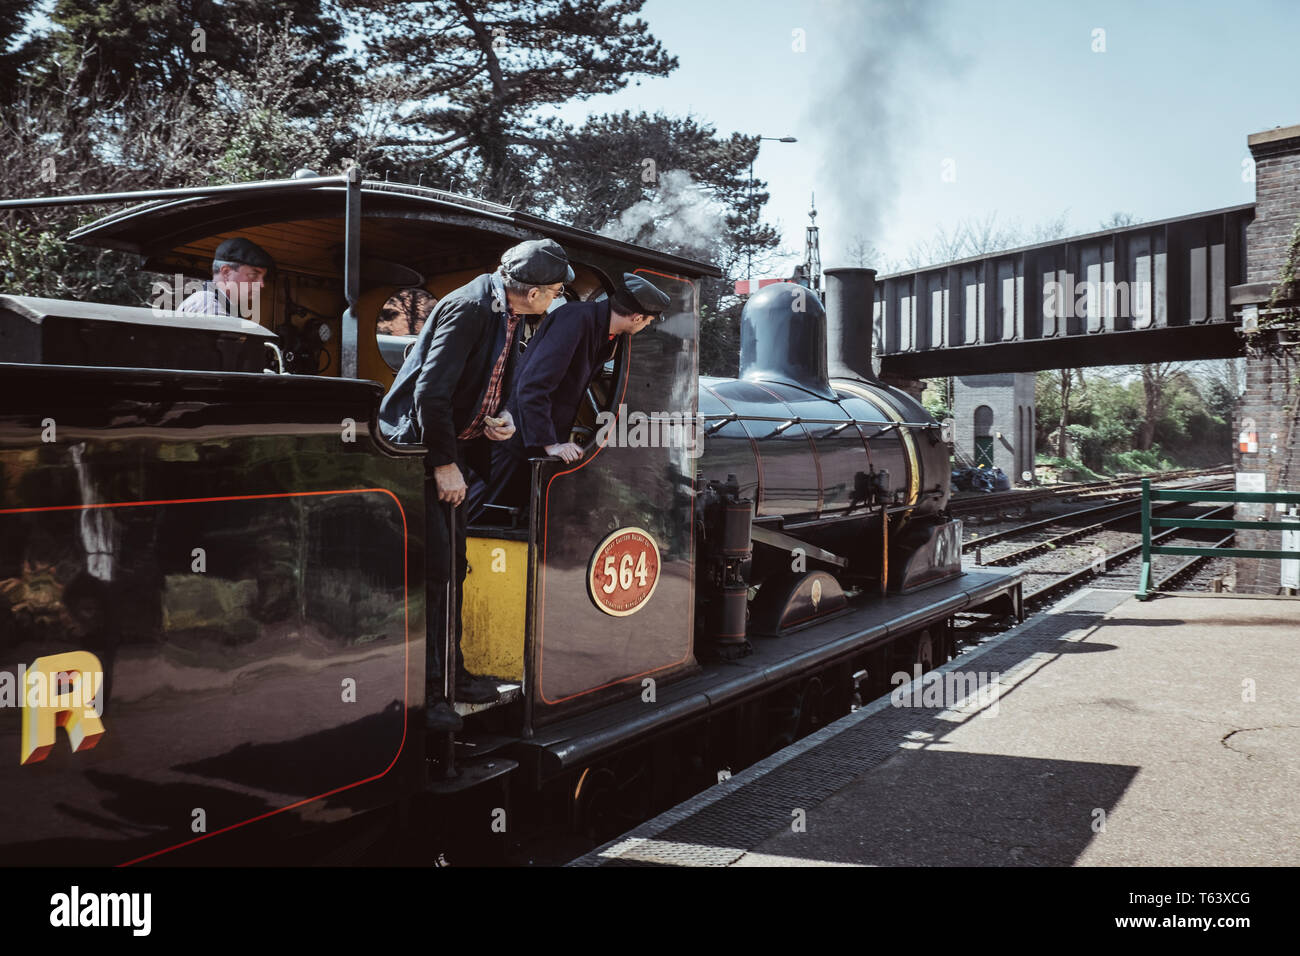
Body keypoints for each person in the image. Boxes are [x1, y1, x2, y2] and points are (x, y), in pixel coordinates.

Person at [378, 238, 573, 732]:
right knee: (435, 572)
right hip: (419, 456)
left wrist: (498, 418)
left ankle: (454, 675)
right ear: (534, 292)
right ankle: (428, 693)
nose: (555, 300)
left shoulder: (508, 312)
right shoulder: (468, 307)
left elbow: (487, 381)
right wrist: (444, 464)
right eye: (555, 292)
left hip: (455, 451)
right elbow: (429, 392)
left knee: (453, 568)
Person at [481, 273, 672, 512]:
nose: (646, 326)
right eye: (648, 321)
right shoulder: (576, 321)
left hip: (533, 443)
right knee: (484, 513)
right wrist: (550, 444)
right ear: (637, 317)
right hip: (517, 438)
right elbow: (533, 386)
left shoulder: (602, 330)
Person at [177, 237, 273, 318]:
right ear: (226, 272)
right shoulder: (208, 306)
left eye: (262, 277)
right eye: (254, 275)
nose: (261, 284)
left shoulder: (222, 305)